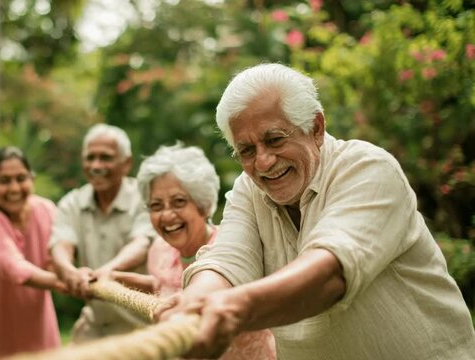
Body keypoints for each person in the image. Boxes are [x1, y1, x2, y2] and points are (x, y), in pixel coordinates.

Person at [156, 63, 475, 359]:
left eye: (275, 139)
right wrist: (194, 303)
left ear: (316, 128)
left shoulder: (368, 168)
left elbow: (329, 275)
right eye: (247, 150)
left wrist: (231, 308)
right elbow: (227, 260)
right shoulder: (248, 188)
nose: (264, 161)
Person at [109, 143, 276, 360]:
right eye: (156, 205)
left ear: (204, 205)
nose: (167, 216)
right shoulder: (159, 250)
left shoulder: (234, 247)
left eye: (178, 202)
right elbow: (162, 286)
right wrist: (113, 278)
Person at [0, 146, 66, 360]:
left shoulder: (46, 211)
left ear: (32, 180)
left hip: (39, 335)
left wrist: (69, 272)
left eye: (21, 178)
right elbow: (13, 267)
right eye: (4, 181)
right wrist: (64, 282)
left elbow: (59, 256)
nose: (14, 188)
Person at [50, 123, 156, 342]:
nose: (96, 165)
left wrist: (107, 271)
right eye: (90, 158)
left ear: (126, 164)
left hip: (143, 329)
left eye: (105, 158)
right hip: (95, 327)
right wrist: (70, 271)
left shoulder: (146, 198)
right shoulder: (72, 202)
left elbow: (142, 244)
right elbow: (61, 244)